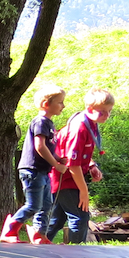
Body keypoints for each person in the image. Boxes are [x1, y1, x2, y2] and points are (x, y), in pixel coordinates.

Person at [0, 85, 68, 243]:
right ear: (46, 104)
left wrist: (58, 158)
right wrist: (56, 165)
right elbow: (40, 146)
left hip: (42, 171)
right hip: (32, 170)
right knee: (33, 206)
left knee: (46, 205)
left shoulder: (49, 124)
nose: (63, 106)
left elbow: (48, 148)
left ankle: (39, 234)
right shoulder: (40, 122)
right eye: (60, 102)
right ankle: (9, 231)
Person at [47, 88, 115, 244]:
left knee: (57, 219)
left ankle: (38, 246)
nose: (107, 115)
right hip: (65, 178)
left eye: (109, 111)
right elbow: (73, 164)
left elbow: (81, 152)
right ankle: (76, 253)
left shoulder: (91, 123)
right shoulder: (79, 128)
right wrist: (84, 192)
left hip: (71, 177)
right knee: (80, 216)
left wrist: (91, 165)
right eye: (102, 112)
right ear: (89, 109)